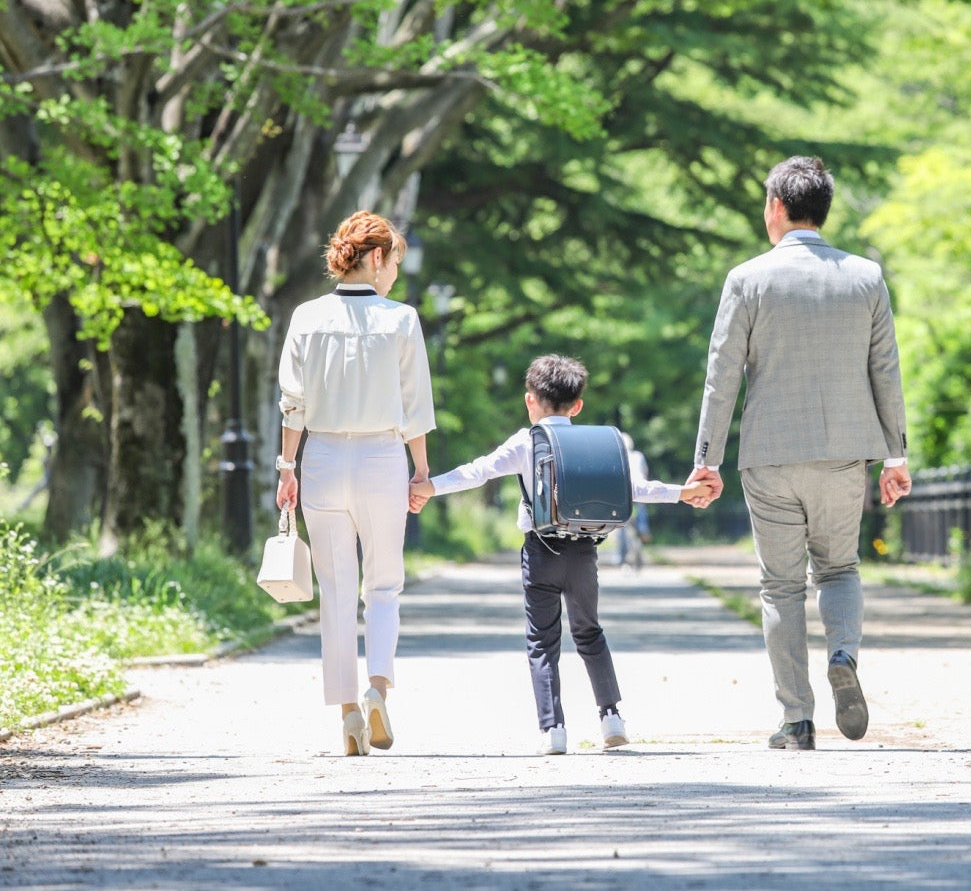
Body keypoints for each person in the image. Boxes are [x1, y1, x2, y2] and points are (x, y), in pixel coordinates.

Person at [691, 156, 912, 751]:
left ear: (775, 208)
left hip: (769, 455)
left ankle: (797, 720)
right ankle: (842, 652)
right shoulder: (865, 276)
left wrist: (706, 459)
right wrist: (896, 456)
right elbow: (885, 370)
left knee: (780, 587)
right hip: (846, 454)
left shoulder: (748, 279)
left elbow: (722, 374)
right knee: (839, 568)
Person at [407, 354, 711, 755]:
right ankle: (611, 718)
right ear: (578, 405)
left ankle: (554, 730)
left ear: (530, 400)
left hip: (541, 550)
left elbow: (478, 471)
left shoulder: (525, 441)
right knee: (590, 632)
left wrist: (429, 488)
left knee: (542, 640)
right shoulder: (596, 442)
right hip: (584, 551)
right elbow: (633, 489)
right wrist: (683, 493)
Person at [276, 210, 434, 757]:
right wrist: (421, 470)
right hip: (381, 458)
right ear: (374, 257)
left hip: (320, 460)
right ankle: (378, 687)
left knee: (337, 592)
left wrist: (287, 469)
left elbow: (292, 402)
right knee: (384, 584)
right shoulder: (401, 319)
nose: (393, 273)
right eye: (393, 261)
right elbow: (415, 406)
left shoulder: (305, 317)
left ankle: (347, 714)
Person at [612, 434, 652, 569]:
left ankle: (622, 557)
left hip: (624, 494)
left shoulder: (617, 458)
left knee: (622, 525)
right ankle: (644, 532)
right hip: (640, 492)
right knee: (641, 515)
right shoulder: (638, 456)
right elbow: (645, 473)